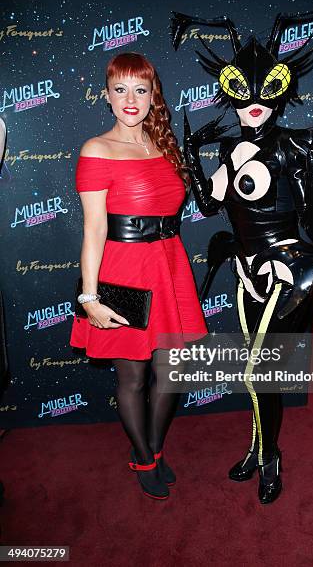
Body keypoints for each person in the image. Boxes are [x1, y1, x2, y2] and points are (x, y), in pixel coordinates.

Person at [171, 7, 313, 504]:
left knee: (259, 375)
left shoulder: (295, 147)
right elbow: (209, 206)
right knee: (255, 377)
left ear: (281, 91)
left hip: (286, 277)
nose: (253, 104)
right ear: (229, 93)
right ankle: (258, 445)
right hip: (246, 274)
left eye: (264, 94)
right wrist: (192, 154)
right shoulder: (231, 151)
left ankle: (270, 457)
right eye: (242, 93)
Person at [70, 52, 207, 500]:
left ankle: (155, 446)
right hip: (125, 269)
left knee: (173, 372)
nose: (131, 99)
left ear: (153, 96)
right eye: (120, 89)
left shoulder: (163, 144)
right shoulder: (97, 149)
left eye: (141, 89)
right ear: (107, 96)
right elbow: (94, 229)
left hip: (169, 264)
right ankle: (145, 456)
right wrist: (89, 298)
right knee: (132, 377)